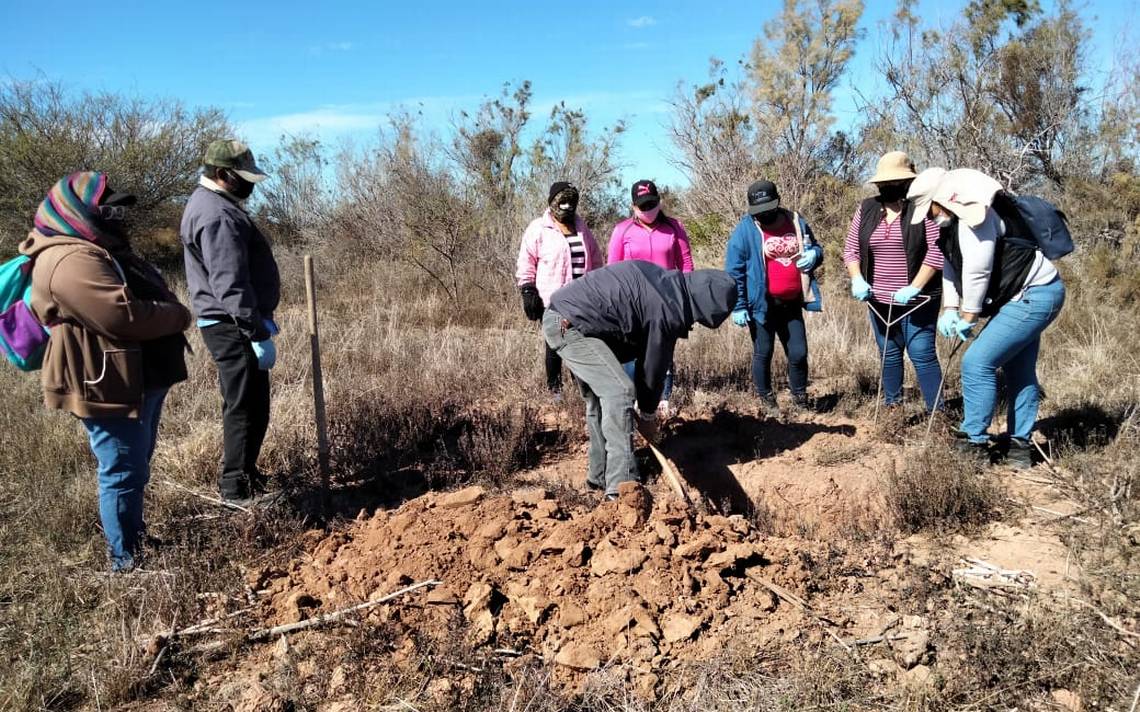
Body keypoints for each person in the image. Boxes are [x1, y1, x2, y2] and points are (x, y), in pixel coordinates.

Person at [20, 171, 192, 571]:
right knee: (121, 469)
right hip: (104, 382)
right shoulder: (69, 257)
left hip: (131, 378)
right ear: (76, 210)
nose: (118, 217)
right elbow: (120, 317)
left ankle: (135, 538)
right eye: (108, 209)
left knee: (135, 463)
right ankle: (126, 560)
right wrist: (178, 314)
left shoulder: (97, 247)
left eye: (119, 210)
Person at [907, 167, 1065, 468]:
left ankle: (973, 442)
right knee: (1018, 368)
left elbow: (977, 270)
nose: (928, 217)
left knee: (977, 363)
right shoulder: (950, 227)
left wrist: (969, 316)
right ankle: (1019, 447)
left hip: (1034, 295)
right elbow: (951, 269)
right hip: (1025, 297)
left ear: (941, 201)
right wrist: (951, 309)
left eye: (929, 210)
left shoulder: (975, 220)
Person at [542, 262, 736, 498]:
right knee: (619, 392)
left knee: (600, 399)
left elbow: (649, 361)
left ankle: (599, 478)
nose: (694, 323)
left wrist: (646, 411)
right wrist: (647, 415)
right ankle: (622, 490)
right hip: (569, 325)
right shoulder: (667, 309)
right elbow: (652, 367)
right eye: (698, 318)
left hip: (569, 318)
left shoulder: (668, 287)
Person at [180, 140, 281, 505]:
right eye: (244, 178)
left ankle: (248, 476)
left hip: (234, 322)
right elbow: (229, 282)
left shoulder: (215, 205)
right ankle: (235, 491)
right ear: (222, 174)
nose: (251, 185)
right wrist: (254, 330)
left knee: (254, 403)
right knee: (243, 406)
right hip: (231, 325)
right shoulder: (216, 214)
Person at [843, 151, 944, 412]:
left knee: (921, 353)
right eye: (884, 183)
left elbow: (937, 250)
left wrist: (915, 287)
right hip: (878, 300)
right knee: (888, 353)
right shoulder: (867, 208)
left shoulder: (921, 208)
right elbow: (852, 248)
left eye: (894, 182)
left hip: (918, 299)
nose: (888, 187)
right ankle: (893, 409)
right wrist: (857, 280)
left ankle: (938, 412)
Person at [725, 180, 823, 416]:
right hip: (761, 305)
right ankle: (767, 401)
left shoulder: (796, 221)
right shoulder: (744, 231)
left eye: (767, 208)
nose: (764, 215)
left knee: (798, 353)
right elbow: (734, 271)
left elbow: (817, 247)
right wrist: (738, 305)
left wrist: (814, 255)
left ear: (777, 202)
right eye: (758, 211)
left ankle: (800, 398)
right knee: (764, 351)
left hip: (791, 302)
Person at [607, 179, 694, 416]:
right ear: (633, 206)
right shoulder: (622, 230)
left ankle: (663, 398)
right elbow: (612, 270)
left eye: (652, 204)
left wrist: (686, 300)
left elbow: (686, 264)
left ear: (659, 202)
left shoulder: (675, 227)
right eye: (642, 206)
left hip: (667, 302)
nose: (648, 210)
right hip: (632, 304)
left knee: (663, 350)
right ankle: (633, 398)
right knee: (632, 354)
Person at [515, 181, 603, 397]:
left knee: (581, 344)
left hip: (582, 299)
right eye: (562, 201)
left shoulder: (582, 228)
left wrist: (600, 289)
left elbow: (596, 260)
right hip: (551, 299)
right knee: (554, 345)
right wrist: (528, 290)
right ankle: (555, 392)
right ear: (552, 202)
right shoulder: (538, 228)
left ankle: (582, 391)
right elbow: (526, 261)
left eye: (570, 201)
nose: (566, 206)